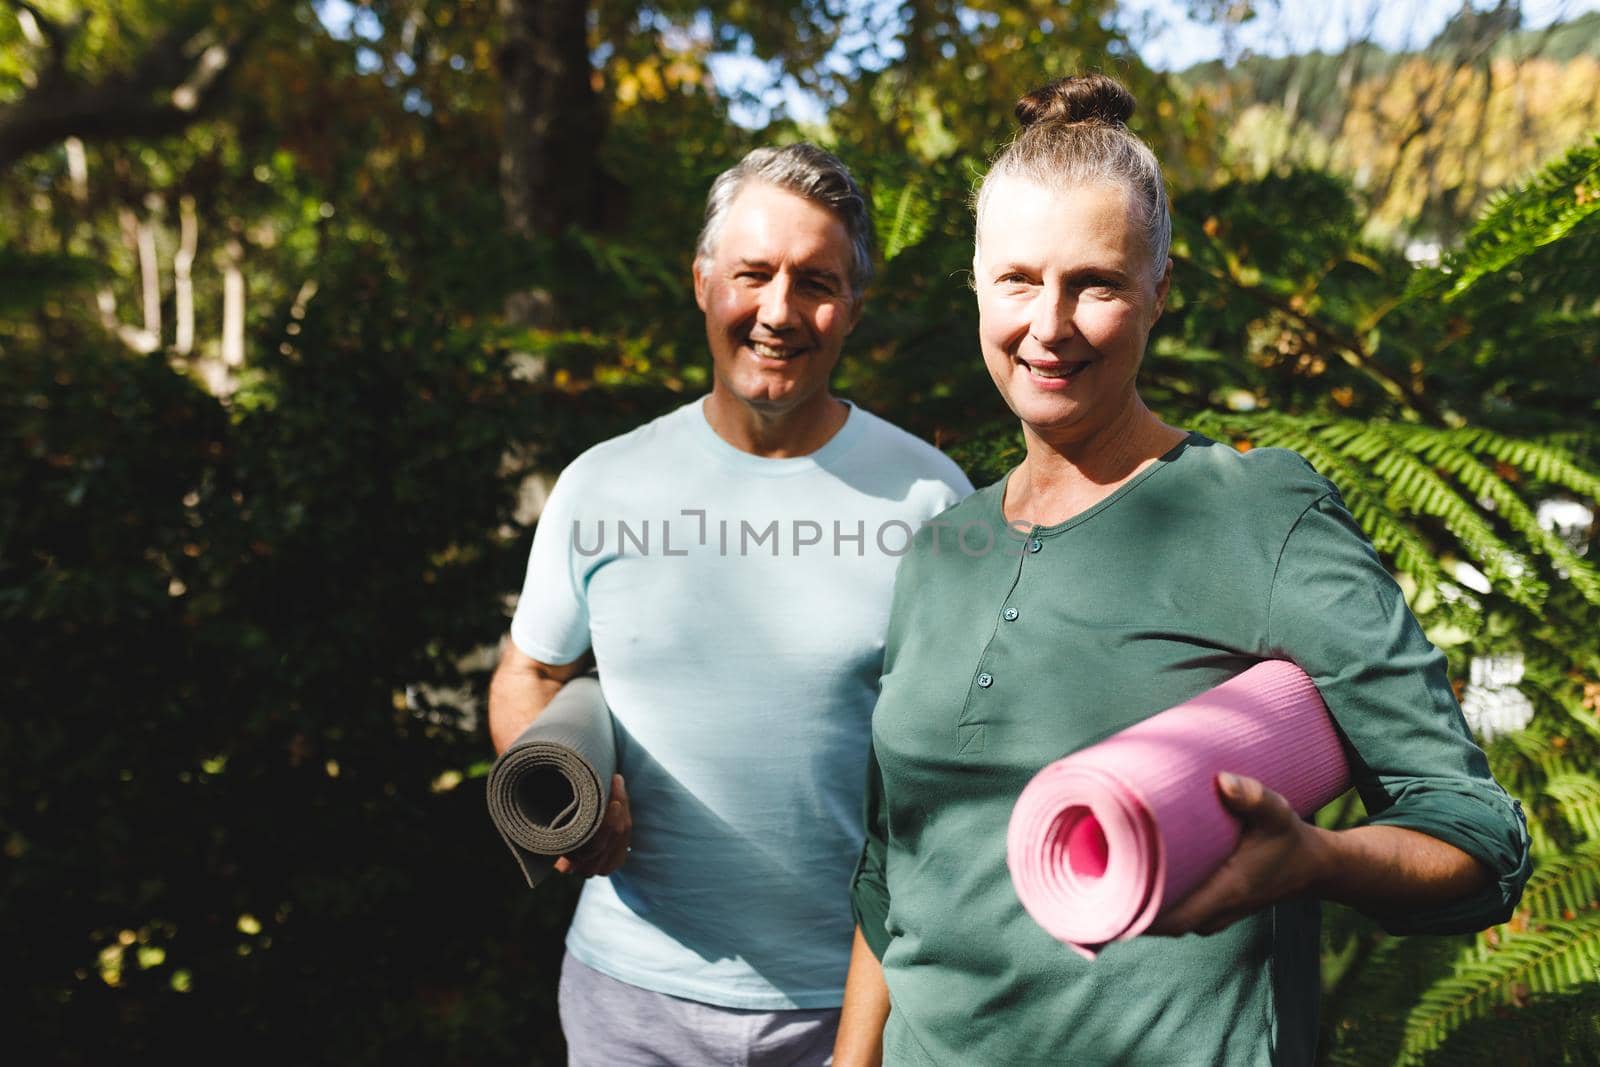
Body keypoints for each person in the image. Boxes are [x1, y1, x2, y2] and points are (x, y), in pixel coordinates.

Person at [835, 74, 1531, 1066]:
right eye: (1019, 279)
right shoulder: (942, 549)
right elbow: (892, 864)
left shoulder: (1256, 511)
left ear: (1159, 291)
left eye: (1097, 283)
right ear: (977, 285)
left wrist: (1316, 859)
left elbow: (1476, 834)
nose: (1049, 323)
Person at [489, 143, 973, 1066]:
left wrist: (866, 1038)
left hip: (844, 1009)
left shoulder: (929, 499)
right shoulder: (604, 486)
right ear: (704, 281)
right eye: (753, 274)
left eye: (817, 282)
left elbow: (949, 785)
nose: (780, 311)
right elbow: (533, 670)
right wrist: (562, 794)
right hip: (626, 1003)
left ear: (855, 307)